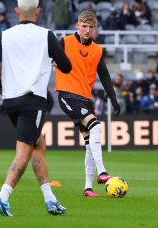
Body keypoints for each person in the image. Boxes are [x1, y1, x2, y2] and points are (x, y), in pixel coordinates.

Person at [0, 0, 72, 216]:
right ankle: (2, 197)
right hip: (32, 101)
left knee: (37, 145)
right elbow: (66, 65)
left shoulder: (4, 35)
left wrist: (1, 88)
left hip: (11, 100)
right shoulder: (45, 35)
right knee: (24, 151)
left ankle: (50, 199)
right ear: (38, 11)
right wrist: (54, 60)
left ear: (16, 11)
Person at [54, 10, 120, 198]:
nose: (87, 30)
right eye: (84, 26)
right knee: (95, 126)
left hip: (85, 99)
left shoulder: (97, 50)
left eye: (91, 27)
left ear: (95, 28)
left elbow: (105, 75)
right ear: (77, 25)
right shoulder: (65, 42)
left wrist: (113, 98)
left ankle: (88, 188)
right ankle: (102, 173)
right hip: (67, 94)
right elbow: (51, 58)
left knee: (89, 141)